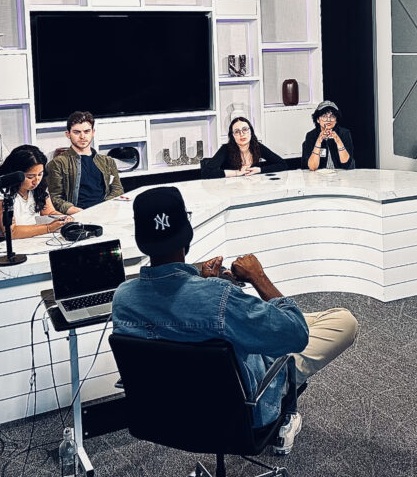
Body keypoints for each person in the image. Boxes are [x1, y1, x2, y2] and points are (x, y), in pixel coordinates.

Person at [112, 187, 358, 455]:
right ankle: (286, 410)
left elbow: (180, 323)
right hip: (247, 412)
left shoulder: (123, 299)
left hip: (170, 413)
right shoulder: (219, 297)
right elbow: (296, 334)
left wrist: (205, 285)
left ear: (141, 240)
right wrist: (258, 277)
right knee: (342, 321)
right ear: (187, 233)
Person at [0, 145, 73, 240]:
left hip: (26, 236)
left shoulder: (38, 185)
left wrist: (63, 219)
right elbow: (11, 232)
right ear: (15, 173)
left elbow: (49, 212)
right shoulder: (1, 190)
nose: (36, 181)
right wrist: (48, 228)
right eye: (30, 177)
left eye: (40, 174)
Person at [47, 111, 124, 214]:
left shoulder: (108, 161)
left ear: (93, 132)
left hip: (105, 212)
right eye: (77, 132)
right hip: (77, 216)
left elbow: (117, 189)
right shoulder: (57, 163)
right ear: (68, 134)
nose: (82, 136)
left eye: (87, 131)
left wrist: (103, 208)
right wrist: (80, 212)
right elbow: (55, 198)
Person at [202, 116, 288, 178]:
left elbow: (282, 164)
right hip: (231, 189)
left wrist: (259, 170)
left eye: (245, 129)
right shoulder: (226, 149)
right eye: (237, 131)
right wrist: (236, 173)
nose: (241, 134)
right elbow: (206, 173)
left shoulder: (257, 146)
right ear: (232, 136)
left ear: (251, 131)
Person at [301, 101, 355, 171]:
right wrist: (318, 141)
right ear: (318, 119)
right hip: (318, 177)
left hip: (341, 175)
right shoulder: (311, 136)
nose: (328, 120)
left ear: (336, 120)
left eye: (332, 116)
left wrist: (338, 141)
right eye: (324, 116)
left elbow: (346, 164)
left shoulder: (344, 133)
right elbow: (312, 167)